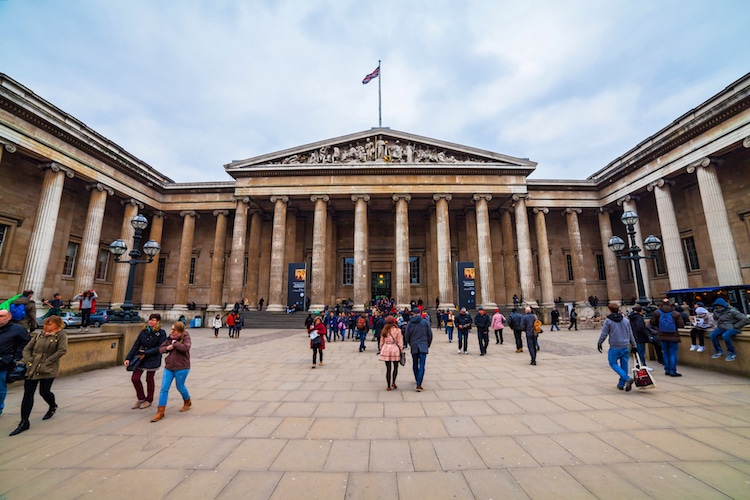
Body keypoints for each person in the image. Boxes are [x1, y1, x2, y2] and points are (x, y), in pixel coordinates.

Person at [9, 315, 68, 436]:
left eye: (49, 324)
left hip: (48, 369)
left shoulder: (61, 335)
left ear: (57, 325)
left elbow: (62, 350)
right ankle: (24, 422)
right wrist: (29, 360)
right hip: (32, 368)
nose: (46, 326)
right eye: (45, 323)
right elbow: (27, 349)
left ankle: (52, 405)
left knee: (44, 392)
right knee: (28, 394)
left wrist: (47, 362)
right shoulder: (39, 335)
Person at [124, 313, 167, 409]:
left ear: (158, 322)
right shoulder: (143, 332)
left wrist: (146, 352)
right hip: (140, 358)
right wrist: (128, 358)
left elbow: (160, 347)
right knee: (135, 378)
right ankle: (141, 398)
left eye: (153, 320)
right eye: (150, 320)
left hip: (152, 358)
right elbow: (136, 345)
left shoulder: (161, 333)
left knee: (149, 379)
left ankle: (149, 399)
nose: (151, 321)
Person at [151, 321, 192, 422]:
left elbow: (186, 348)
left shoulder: (186, 337)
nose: (172, 331)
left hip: (182, 367)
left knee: (180, 386)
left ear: (180, 330)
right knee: (164, 388)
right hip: (169, 367)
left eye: (174, 329)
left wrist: (175, 344)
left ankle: (187, 401)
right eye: (172, 329)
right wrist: (168, 348)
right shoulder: (169, 338)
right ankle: (160, 411)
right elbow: (161, 349)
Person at [597, 302, 638, 391]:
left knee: (613, 363)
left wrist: (600, 343)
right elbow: (630, 333)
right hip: (625, 346)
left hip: (615, 346)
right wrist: (634, 345)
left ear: (610, 310)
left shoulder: (608, 321)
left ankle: (626, 378)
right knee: (624, 364)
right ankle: (621, 384)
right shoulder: (625, 320)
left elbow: (604, 333)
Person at [0, 308, 30, 416]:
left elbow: (26, 344)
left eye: (2, 316)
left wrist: (15, 356)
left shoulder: (17, 329)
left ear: (9, 317)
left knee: (0, 387)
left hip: (4, 363)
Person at [650, 299, 685, 377]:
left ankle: (667, 369)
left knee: (665, 353)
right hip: (673, 336)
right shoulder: (675, 314)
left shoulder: (657, 313)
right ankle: (673, 370)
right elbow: (681, 325)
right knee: (673, 353)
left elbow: (652, 323)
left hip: (662, 335)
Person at [404, 309, 432, 392]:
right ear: (420, 313)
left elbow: (406, 335)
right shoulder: (425, 322)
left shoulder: (410, 323)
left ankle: (417, 379)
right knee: (422, 365)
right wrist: (428, 344)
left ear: (413, 314)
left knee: (415, 363)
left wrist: (410, 343)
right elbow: (430, 335)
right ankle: (419, 383)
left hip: (414, 345)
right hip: (423, 345)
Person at [379, 316, 403, 390]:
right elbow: (400, 342)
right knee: (395, 367)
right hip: (394, 348)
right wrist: (401, 350)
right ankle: (394, 382)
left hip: (386, 348)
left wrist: (381, 349)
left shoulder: (384, 330)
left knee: (388, 369)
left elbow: (381, 342)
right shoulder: (398, 330)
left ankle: (388, 385)